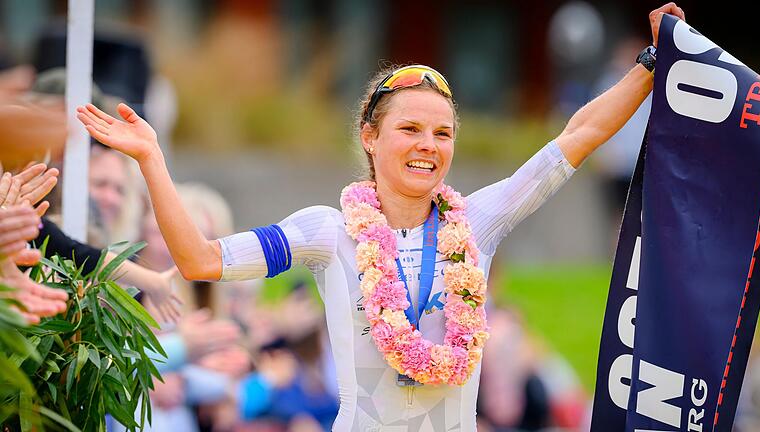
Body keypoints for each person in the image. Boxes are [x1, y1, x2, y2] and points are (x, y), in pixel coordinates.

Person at [77, 4, 685, 430]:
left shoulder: (477, 222)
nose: (430, 145)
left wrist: (654, 61)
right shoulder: (326, 231)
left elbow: (576, 137)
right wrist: (152, 159)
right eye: (411, 129)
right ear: (370, 136)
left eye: (443, 133)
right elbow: (200, 260)